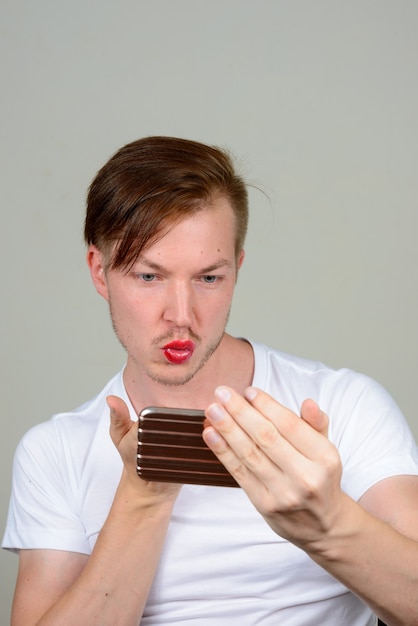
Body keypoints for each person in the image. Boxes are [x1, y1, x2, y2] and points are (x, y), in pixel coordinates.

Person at [2, 136, 418, 626]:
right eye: (149, 276)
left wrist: (327, 525)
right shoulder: (54, 451)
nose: (181, 316)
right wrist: (143, 500)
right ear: (99, 270)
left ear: (237, 270)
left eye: (208, 278)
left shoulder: (343, 404)